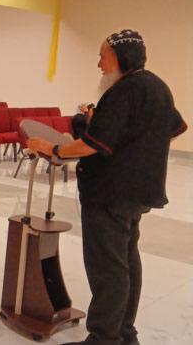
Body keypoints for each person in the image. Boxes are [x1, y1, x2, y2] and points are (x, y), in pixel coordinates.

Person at [28, 29, 186, 345]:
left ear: (118, 56)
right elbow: (175, 128)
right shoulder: (156, 86)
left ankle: (104, 338)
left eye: (102, 56)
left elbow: (90, 144)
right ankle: (125, 333)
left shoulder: (124, 90)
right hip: (137, 192)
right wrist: (137, 149)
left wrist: (52, 148)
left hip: (110, 193)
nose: (99, 64)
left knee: (107, 268)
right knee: (126, 261)